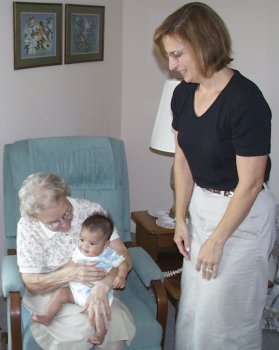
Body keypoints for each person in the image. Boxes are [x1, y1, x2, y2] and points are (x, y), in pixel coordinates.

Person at [153, 2, 277, 350]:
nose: (172, 65)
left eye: (177, 55)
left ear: (204, 43)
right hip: (202, 210)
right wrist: (180, 219)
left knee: (228, 319)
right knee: (194, 311)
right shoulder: (181, 95)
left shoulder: (245, 100)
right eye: (168, 56)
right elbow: (182, 161)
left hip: (242, 214)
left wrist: (218, 239)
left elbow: (251, 183)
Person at [17, 173, 135, 350]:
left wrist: (104, 284)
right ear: (36, 217)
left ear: (65, 195)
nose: (65, 225)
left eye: (67, 213)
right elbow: (31, 282)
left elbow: (123, 256)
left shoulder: (92, 212)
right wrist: (70, 272)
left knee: (111, 317)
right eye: (53, 223)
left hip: (96, 286)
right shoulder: (28, 227)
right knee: (85, 325)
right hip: (52, 293)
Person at [32, 213, 129, 346]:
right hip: (75, 291)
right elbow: (66, 266)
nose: (84, 246)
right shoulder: (78, 251)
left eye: (92, 243)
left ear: (106, 244)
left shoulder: (108, 254)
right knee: (60, 294)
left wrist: (121, 276)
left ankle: (100, 334)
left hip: (97, 294)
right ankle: (48, 316)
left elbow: (122, 263)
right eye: (82, 239)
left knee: (100, 312)